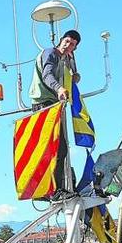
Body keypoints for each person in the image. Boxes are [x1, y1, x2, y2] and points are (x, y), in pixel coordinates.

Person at [28, 30, 81, 197]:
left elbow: (72, 68)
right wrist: (59, 88)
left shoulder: (66, 58)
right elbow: (47, 74)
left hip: (54, 105)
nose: (68, 45)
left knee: (61, 148)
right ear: (61, 40)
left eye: (72, 44)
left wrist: (75, 75)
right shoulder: (50, 53)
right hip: (43, 104)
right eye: (66, 41)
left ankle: (56, 189)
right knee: (54, 148)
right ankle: (51, 190)